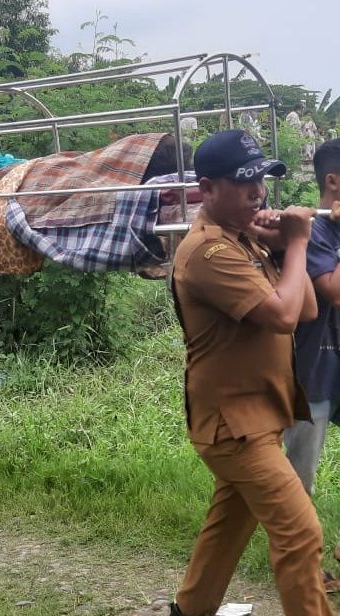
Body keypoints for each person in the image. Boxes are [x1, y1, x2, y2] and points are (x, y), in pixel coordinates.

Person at [169, 130, 332, 615]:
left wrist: (284, 248)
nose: (258, 193)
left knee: (229, 528)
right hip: (233, 425)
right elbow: (283, 315)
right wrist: (301, 241)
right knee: (301, 533)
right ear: (206, 189)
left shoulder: (243, 243)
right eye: (244, 184)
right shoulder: (209, 252)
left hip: (257, 414)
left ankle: (189, 609)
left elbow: (301, 309)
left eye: (261, 180)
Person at [284, 139, 340, 496]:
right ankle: (291, 544)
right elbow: (335, 292)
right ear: (333, 182)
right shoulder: (312, 232)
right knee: (299, 472)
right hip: (316, 369)